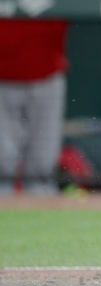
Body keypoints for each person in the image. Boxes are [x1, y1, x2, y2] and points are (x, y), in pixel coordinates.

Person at [0, 19, 68, 195]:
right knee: (3, 157)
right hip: (2, 76)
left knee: (42, 163)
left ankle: (43, 210)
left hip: (46, 73)